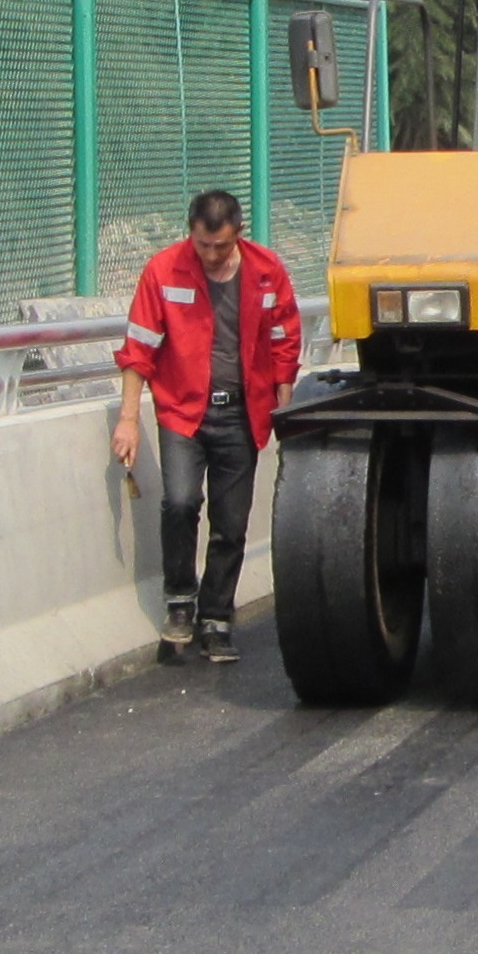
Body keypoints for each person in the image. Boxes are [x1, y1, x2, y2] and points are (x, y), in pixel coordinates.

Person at [112, 190, 301, 664]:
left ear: (238, 233)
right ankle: (180, 603)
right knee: (180, 502)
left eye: (219, 245)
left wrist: (283, 406)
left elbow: (284, 339)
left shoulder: (266, 271)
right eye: (202, 245)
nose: (211, 255)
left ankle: (216, 619)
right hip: (182, 411)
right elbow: (138, 348)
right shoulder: (164, 270)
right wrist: (129, 419)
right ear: (190, 234)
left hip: (242, 413)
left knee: (231, 523)